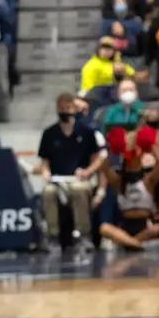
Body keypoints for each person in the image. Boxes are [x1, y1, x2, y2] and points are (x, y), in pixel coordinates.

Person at [37, 93, 104, 247]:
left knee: (79, 190)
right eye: (62, 108)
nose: (65, 111)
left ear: (74, 110)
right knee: (48, 193)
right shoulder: (49, 133)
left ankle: (83, 234)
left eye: (68, 108)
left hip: (79, 178)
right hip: (57, 179)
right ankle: (52, 235)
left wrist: (88, 171)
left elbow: (97, 159)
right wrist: (45, 172)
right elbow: (44, 161)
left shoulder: (87, 132)